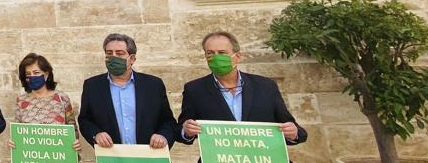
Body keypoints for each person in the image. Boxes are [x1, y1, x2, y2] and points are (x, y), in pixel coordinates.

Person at [174, 31, 307, 157]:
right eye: (210, 53)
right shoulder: (195, 89)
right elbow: (180, 131)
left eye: (222, 53)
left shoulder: (265, 86)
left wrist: (293, 133)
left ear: (237, 56)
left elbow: (293, 128)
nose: (216, 57)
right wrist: (186, 131)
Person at [78, 34, 177, 150]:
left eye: (119, 53)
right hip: (112, 156)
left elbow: (168, 121)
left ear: (132, 59)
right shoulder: (92, 86)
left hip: (148, 154)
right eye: (109, 53)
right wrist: (96, 134)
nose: (113, 57)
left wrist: (163, 136)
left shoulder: (153, 85)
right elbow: (85, 121)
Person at [10, 53, 81, 154]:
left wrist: (75, 143)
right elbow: (17, 132)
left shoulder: (62, 98)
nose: (32, 76)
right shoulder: (21, 101)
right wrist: (13, 143)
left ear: (46, 74)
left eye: (36, 72)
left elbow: (73, 131)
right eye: (28, 74)